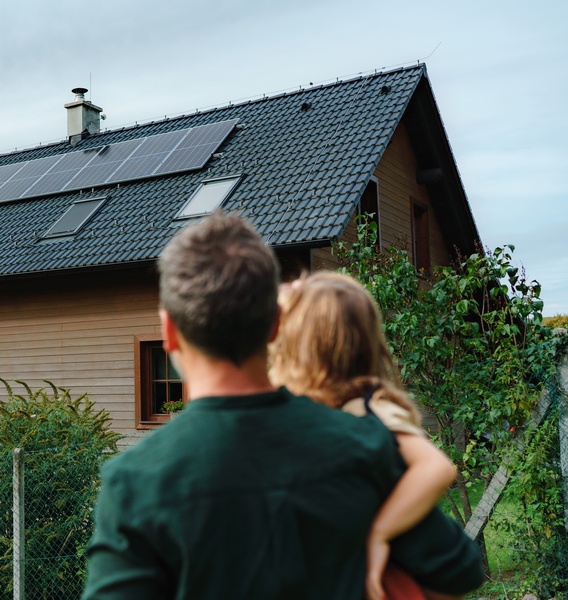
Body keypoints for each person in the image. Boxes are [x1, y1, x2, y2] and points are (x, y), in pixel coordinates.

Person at [82, 211, 483, 599]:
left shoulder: (134, 482)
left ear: (168, 331)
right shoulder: (364, 443)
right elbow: (460, 570)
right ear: (275, 322)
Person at [270, 272, 458, 600]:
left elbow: (438, 468)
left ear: (305, 346)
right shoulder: (327, 408)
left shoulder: (369, 409)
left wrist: (379, 532)